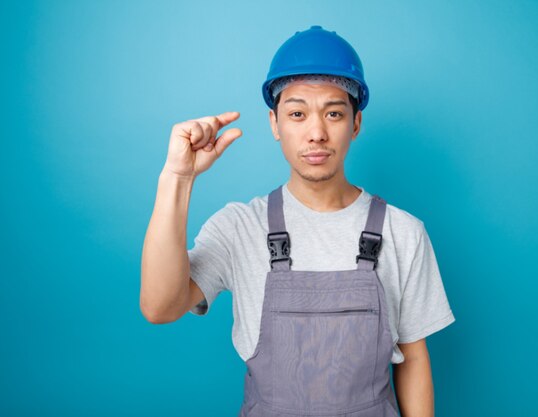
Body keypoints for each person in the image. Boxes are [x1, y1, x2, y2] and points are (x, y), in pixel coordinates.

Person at [141, 25, 455, 417]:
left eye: (335, 113)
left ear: (356, 124)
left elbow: (413, 360)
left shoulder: (403, 232)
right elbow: (159, 307)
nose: (317, 133)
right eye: (297, 113)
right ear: (275, 124)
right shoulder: (240, 227)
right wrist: (177, 179)